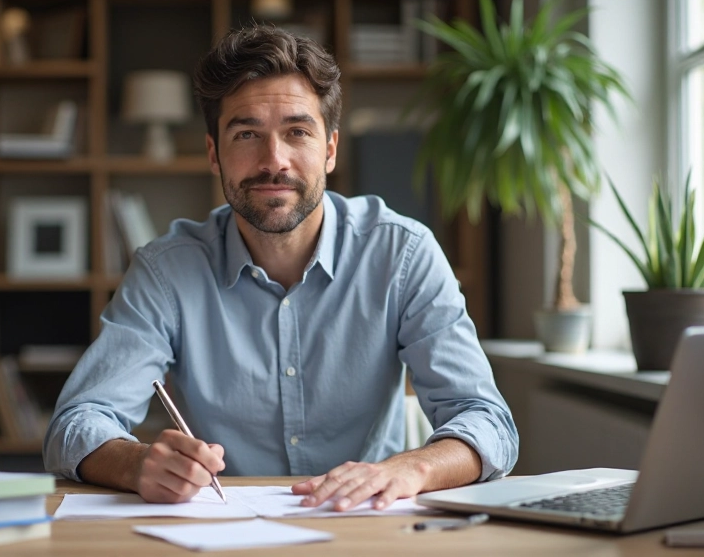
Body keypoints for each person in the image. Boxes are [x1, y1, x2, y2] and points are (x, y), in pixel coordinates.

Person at [44, 25, 518, 511]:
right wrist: (135, 462)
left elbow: (487, 421)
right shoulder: (167, 269)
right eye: (247, 133)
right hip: (222, 529)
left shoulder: (404, 254)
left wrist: (409, 468)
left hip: (366, 525)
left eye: (297, 132)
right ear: (214, 153)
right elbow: (76, 423)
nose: (274, 161)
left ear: (330, 149)